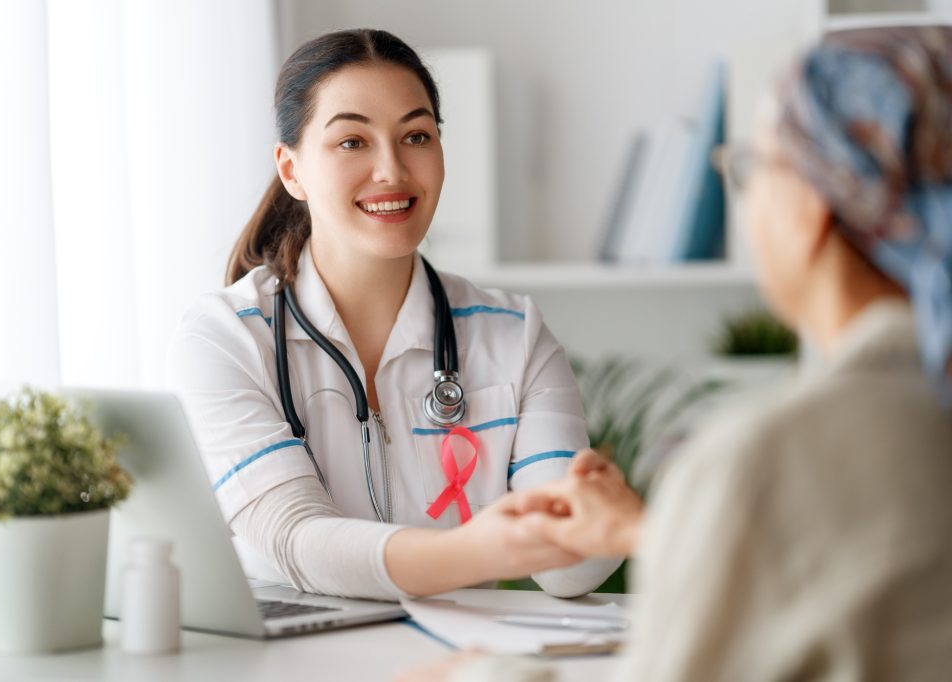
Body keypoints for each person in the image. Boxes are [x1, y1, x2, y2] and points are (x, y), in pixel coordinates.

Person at [402, 24, 952, 681]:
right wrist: (667, 536)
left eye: (751, 170)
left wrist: (478, 676)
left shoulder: (764, 464)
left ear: (809, 211)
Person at [166, 29, 620, 601]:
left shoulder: (515, 335)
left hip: (457, 661)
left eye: (416, 135)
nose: (392, 170)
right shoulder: (224, 336)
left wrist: (600, 518)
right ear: (291, 170)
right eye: (352, 142)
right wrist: (483, 549)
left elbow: (567, 569)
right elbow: (292, 536)